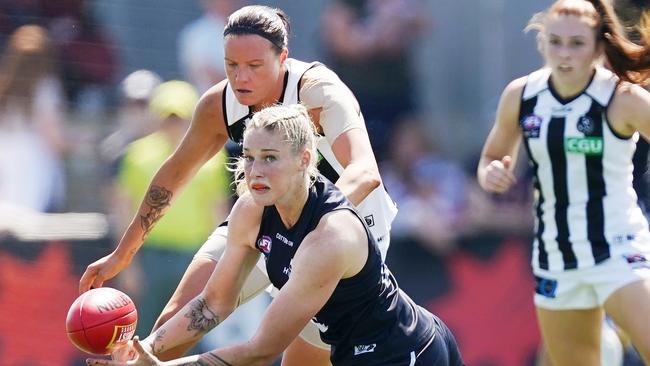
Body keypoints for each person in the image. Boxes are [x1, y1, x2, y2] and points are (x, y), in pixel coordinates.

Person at [79, 5, 398, 365]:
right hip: (262, 216)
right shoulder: (219, 104)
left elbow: (365, 172)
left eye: (254, 66)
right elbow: (173, 176)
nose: (241, 78)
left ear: (283, 58)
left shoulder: (319, 93)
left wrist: (308, 229)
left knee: (291, 357)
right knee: (170, 328)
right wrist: (124, 252)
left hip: (342, 233)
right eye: (232, 65)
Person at [87, 104, 463, 366]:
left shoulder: (329, 237)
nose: (255, 170)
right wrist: (145, 351)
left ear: (305, 160)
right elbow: (213, 303)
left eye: (270, 157)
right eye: (249, 157)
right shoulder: (252, 209)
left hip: (411, 352)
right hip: (354, 353)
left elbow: (260, 351)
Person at [477, 1, 650, 365]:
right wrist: (491, 174)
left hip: (618, 247)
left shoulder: (623, 99)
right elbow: (491, 157)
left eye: (576, 43)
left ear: (598, 47)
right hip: (557, 256)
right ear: (542, 42)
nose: (565, 54)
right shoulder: (521, 96)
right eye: (555, 42)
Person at [112, 80, 231, 338]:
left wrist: (219, 266)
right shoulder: (136, 155)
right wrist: (129, 265)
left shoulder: (212, 157)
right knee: (143, 332)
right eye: (168, 118)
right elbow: (123, 209)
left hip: (193, 257)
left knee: (189, 333)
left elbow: (217, 212)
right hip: (149, 255)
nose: (174, 125)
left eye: (180, 118)